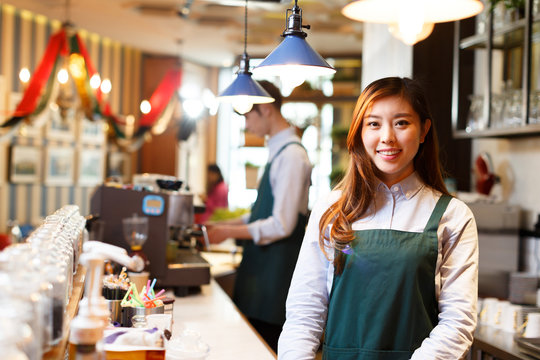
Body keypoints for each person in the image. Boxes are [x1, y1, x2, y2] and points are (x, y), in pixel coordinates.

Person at [278, 77, 478, 359]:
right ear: (360, 131)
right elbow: (305, 311)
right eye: (374, 123)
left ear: (424, 131)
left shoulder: (453, 216)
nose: (387, 137)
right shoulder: (332, 209)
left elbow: (458, 322)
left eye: (401, 123)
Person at [206, 80, 312, 352]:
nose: (246, 125)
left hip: (274, 280)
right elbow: (259, 214)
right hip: (261, 275)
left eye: (248, 116)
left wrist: (227, 232)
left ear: (266, 110)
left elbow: (281, 225)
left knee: (264, 349)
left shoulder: (292, 156)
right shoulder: (278, 152)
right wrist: (222, 224)